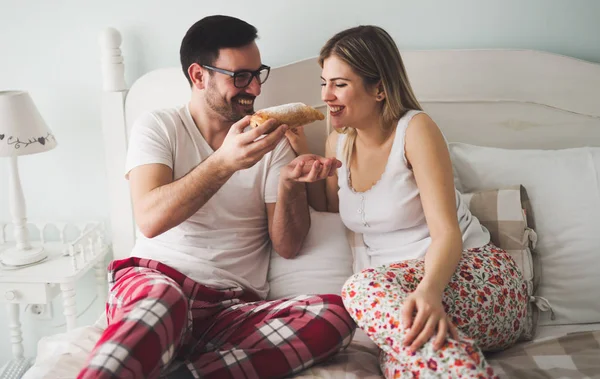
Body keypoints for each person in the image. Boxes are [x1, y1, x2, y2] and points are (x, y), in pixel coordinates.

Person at [78, 15, 354, 379]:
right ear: (198, 76)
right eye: (240, 76)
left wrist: (289, 185)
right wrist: (224, 162)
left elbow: (287, 247)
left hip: (228, 310)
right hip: (156, 284)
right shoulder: (159, 126)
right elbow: (149, 218)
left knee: (335, 315)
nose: (254, 89)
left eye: (258, 73)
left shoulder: (272, 144)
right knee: (164, 302)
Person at [285, 25, 528, 378]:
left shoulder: (416, 130)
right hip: (403, 300)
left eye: (339, 84)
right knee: (402, 366)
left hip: (474, 278)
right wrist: (303, 157)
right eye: (324, 82)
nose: (326, 95)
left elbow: (446, 234)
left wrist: (429, 291)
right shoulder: (337, 142)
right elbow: (331, 206)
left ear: (380, 87)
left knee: (358, 287)